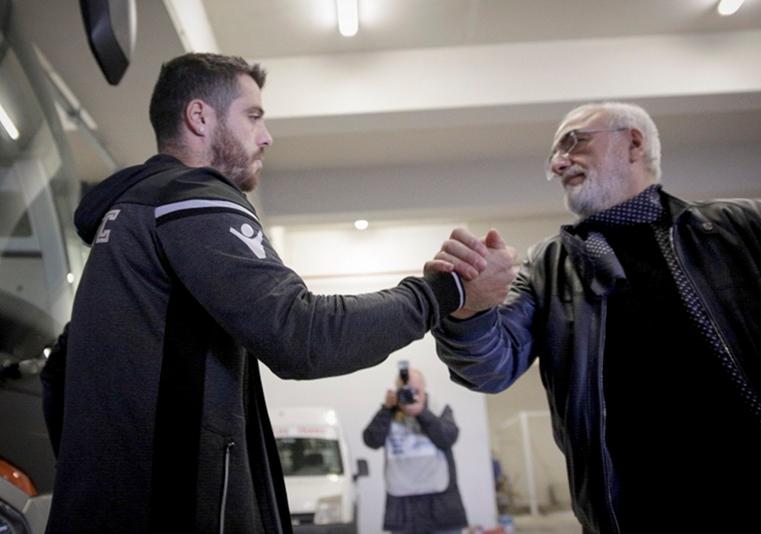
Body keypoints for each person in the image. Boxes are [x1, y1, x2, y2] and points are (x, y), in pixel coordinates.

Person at [40, 53, 502, 534]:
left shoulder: (125, 221)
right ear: (200, 117)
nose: (266, 136)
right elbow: (303, 334)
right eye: (253, 116)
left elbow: (58, 375)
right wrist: (442, 293)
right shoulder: (192, 198)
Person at [430, 102, 761, 532]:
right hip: (639, 519)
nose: (558, 163)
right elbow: (489, 367)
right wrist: (472, 308)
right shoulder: (548, 268)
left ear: (633, 143)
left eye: (573, 142)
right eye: (553, 156)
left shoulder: (746, 230)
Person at [363, 365, 468, 534]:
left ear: (424, 388)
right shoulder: (389, 412)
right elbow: (371, 440)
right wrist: (386, 409)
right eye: (405, 390)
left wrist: (421, 412)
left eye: (415, 390)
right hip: (403, 509)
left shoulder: (438, 408)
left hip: (442, 505)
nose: (410, 395)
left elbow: (448, 438)